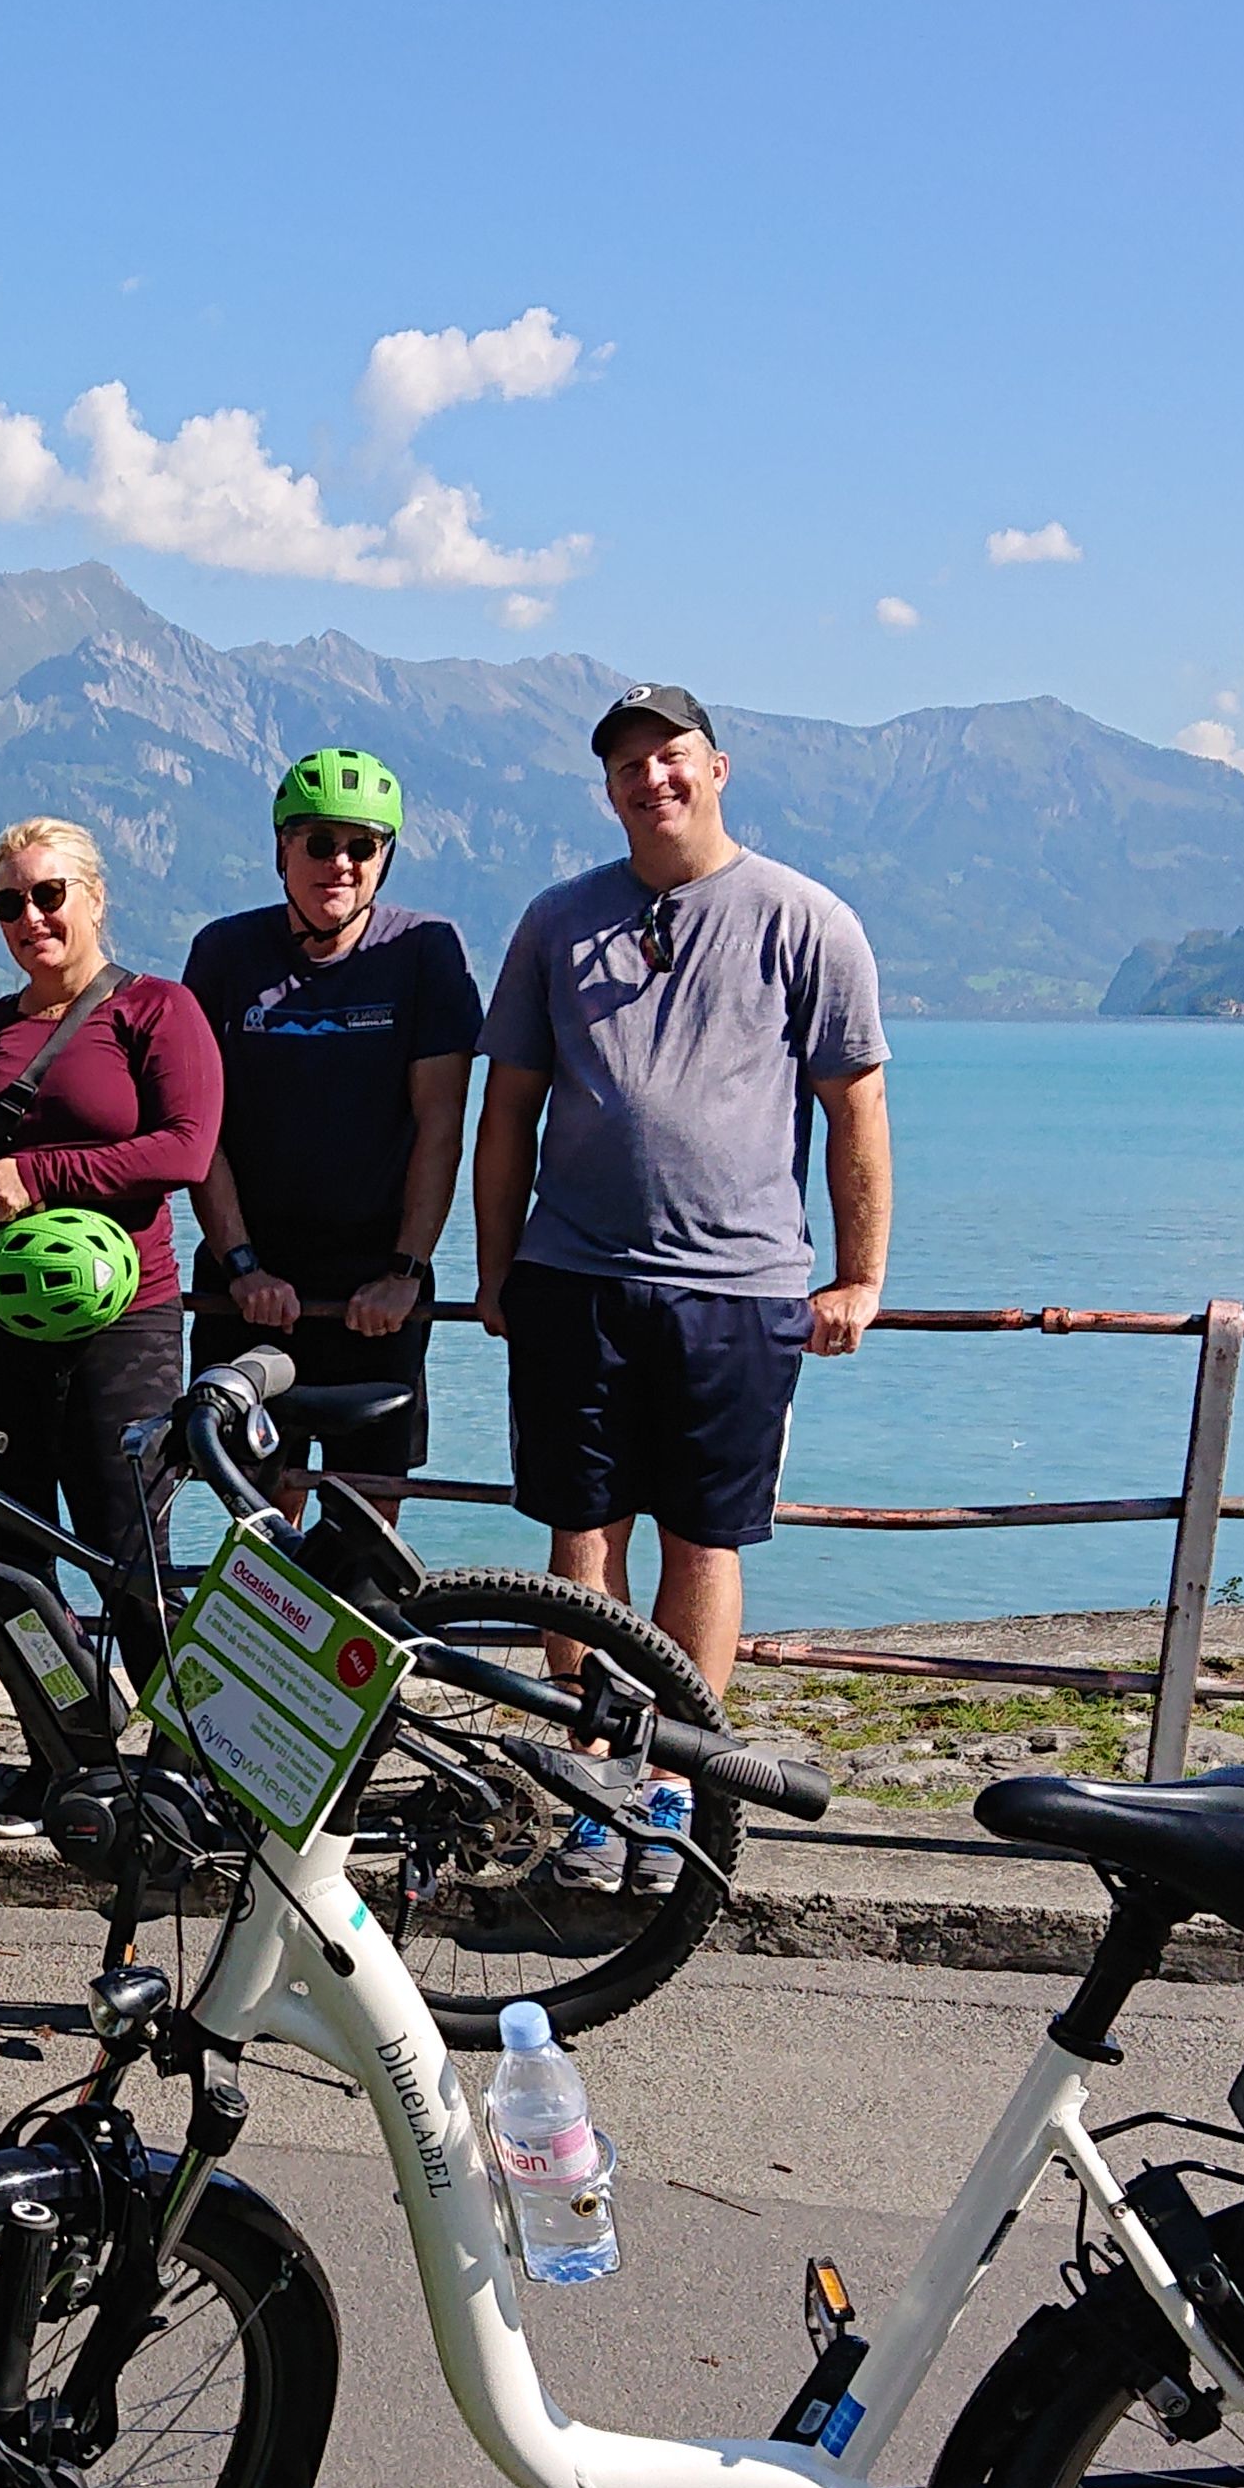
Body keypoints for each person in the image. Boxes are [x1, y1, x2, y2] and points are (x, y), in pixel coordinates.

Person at [472, 682, 895, 1882]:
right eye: (625, 768)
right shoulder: (555, 922)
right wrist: (494, 1266)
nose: (648, 781)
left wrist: (859, 1277)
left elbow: (853, 1104)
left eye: (670, 759)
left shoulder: (804, 919)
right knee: (580, 1539)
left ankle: (671, 1787)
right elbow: (507, 1107)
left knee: (702, 1541)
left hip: (738, 1285)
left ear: (715, 769)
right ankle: (594, 1783)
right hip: (572, 1277)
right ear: (604, 790)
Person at [0, 817, 220, 1835]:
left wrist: (34, 1176)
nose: (30, 917)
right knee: (5, 1561)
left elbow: (183, 1149)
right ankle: (66, 1755)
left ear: (92, 897)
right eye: (8, 902)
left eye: (47, 895)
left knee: (134, 1554)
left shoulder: (154, 1010)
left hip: (122, 1327)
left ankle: (188, 1767)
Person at [190, 747, 478, 1531]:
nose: (340, 864)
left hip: (375, 1287)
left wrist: (407, 1272)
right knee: (258, 1511)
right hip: (250, 1281)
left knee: (365, 1515)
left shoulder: (425, 952)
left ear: (386, 857)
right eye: (319, 843)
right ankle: (260, 1657)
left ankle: (354, 1651)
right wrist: (240, 1264)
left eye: (363, 846)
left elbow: (441, 1121)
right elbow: (197, 1125)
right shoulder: (224, 952)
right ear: (282, 848)